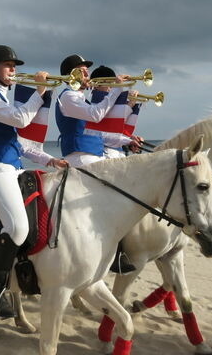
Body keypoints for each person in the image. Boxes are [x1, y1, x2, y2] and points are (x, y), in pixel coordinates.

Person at [0, 45, 68, 323]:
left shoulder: (4, 102)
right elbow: (22, 119)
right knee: (17, 226)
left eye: (14, 66)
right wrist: (40, 92)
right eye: (8, 66)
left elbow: (20, 144)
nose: (13, 70)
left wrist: (51, 160)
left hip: (12, 168)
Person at [55, 55, 137, 273]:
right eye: (81, 71)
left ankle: (118, 250)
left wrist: (128, 140)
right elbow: (97, 115)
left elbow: (100, 133)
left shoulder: (81, 99)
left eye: (86, 71)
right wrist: (117, 90)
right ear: (69, 76)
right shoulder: (69, 97)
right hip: (80, 156)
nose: (87, 74)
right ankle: (116, 252)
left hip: (92, 153)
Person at [87, 65, 143, 159]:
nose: (112, 88)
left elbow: (116, 131)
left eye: (114, 84)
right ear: (96, 85)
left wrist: (130, 140)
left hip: (117, 153)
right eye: (109, 83)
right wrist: (129, 107)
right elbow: (102, 134)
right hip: (103, 154)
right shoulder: (90, 107)